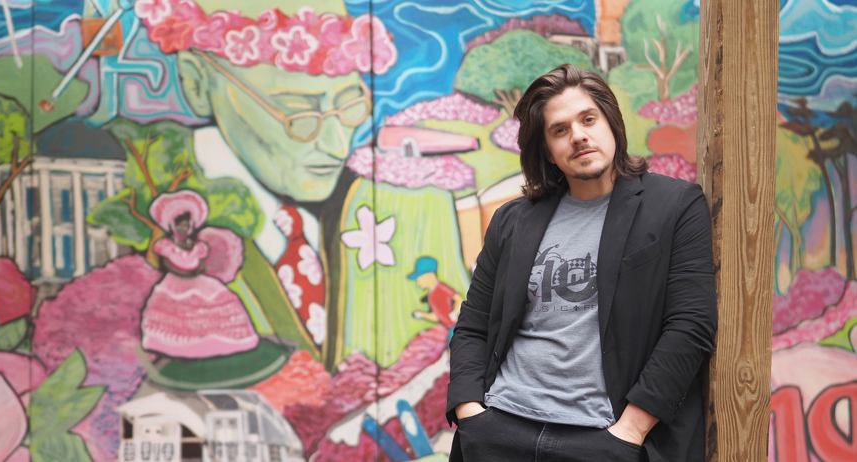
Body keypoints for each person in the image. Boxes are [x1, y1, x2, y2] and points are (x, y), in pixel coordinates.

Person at [135, 0, 470, 370]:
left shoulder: (404, 208)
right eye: (297, 112)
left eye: (349, 106)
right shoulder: (143, 199)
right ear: (197, 83)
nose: (335, 145)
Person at [446, 64, 717, 462]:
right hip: (499, 430)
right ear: (550, 153)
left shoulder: (674, 206)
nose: (578, 136)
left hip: (602, 439)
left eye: (588, 119)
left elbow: (691, 325)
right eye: (559, 130)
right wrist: (472, 415)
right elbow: (473, 324)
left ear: (611, 123)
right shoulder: (512, 220)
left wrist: (630, 432)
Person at [140, 190, 259, 358]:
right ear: (172, 227)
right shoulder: (166, 246)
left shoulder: (199, 247)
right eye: (179, 225)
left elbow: (201, 266)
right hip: (175, 282)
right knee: (175, 312)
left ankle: (217, 343)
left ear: (192, 225)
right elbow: (167, 265)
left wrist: (194, 271)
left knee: (218, 299)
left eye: (187, 225)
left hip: (198, 281)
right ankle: (176, 347)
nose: (183, 229)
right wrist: (184, 271)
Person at [409, 256, 463, 328]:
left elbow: (459, 299)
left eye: (420, 278)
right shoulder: (431, 295)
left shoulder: (441, 288)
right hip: (447, 327)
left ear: (431, 276)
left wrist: (454, 312)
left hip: (455, 327)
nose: (418, 282)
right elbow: (437, 317)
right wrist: (422, 314)